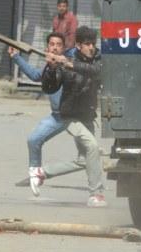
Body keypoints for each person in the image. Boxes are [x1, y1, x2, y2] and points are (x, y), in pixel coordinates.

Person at [8, 33, 84, 196]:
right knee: (33, 140)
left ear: (63, 48)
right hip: (57, 117)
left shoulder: (69, 63)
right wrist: (16, 57)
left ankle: (95, 192)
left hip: (75, 117)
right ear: (47, 48)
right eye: (52, 44)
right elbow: (36, 76)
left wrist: (67, 59)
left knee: (86, 157)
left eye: (58, 44)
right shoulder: (49, 66)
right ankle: (35, 175)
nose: (55, 47)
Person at [42, 26, 107, 207]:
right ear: (78, 45)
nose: (91, 47)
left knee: (85, 159)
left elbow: (99, 72)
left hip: (88, 115)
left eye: (93, 43)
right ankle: (96, 194)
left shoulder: (97, 58)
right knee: (93, 147)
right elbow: (49, 88)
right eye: (87, 44)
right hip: (70, 117)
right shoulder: (66, 60)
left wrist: (70, 64)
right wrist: (51, 68)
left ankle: (43, 172)